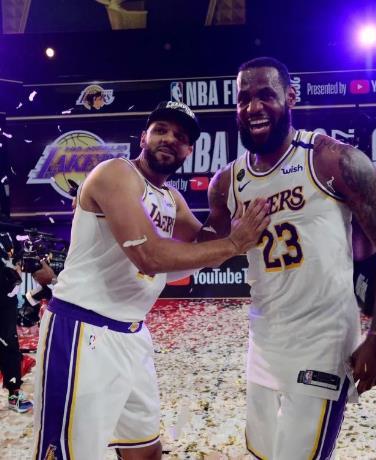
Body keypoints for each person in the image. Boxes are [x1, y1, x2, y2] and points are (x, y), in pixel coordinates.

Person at [32, 100, 269, 460]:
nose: (170, 139)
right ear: (143, 137)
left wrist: (224, 203)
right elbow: (150, 255)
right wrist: (234, 242)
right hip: (82, 330)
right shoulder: (115, 174)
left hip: (132, 334)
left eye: (181, 137)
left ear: (189, 151)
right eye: (161, 130)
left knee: (145, 451)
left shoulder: (172, 198)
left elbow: (205, 245)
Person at [203, 57, 376, 460]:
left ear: (291, 97)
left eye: (266, 95)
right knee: (264, 452)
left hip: (324, 342)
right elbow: (206, 253)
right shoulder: (227, 182)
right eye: (243, 99)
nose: (253, 107)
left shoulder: (331, 159)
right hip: (264, 339)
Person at [0, 232, 34, 413]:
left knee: (10, 348)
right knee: (9, 349)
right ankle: (14, 396)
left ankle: (14, 396)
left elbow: (15, 273)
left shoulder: (6, 237)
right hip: (5, 303)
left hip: (6, 303)